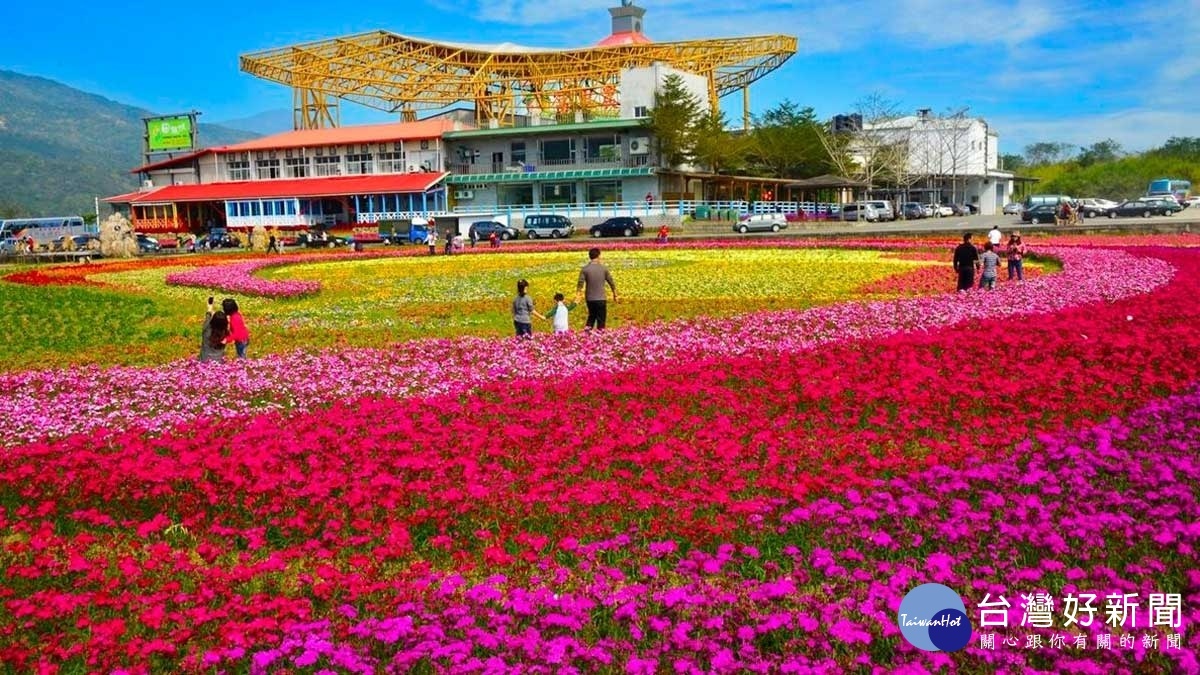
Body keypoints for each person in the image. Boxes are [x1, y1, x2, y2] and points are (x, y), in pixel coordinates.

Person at [576, 247, 618, 330]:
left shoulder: (585, 269)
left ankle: (586, 335)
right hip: (601, 298)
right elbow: (611, 282)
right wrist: (615, 295)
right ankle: (600, 336)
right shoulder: (603, 269)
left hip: (590, 298)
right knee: (601, 320)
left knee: (591, 317)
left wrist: (578, 295)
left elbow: (580, 283)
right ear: (598, 256)